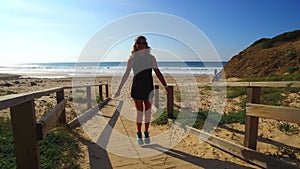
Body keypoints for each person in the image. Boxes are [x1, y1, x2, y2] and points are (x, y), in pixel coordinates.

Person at [114, 36, 169, 145]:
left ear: (146, 45)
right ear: (136, 45)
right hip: (137, 87)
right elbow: (126, 74)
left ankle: (146, 132)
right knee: (140, 112)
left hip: (148, 87)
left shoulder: (151, 58)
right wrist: (119, 89)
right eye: (139, 42)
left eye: (143, 42)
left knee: (147, 112)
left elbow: (158, 72)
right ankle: (139, 133)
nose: (141, 44)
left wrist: (165, 86)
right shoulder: (132, 58)